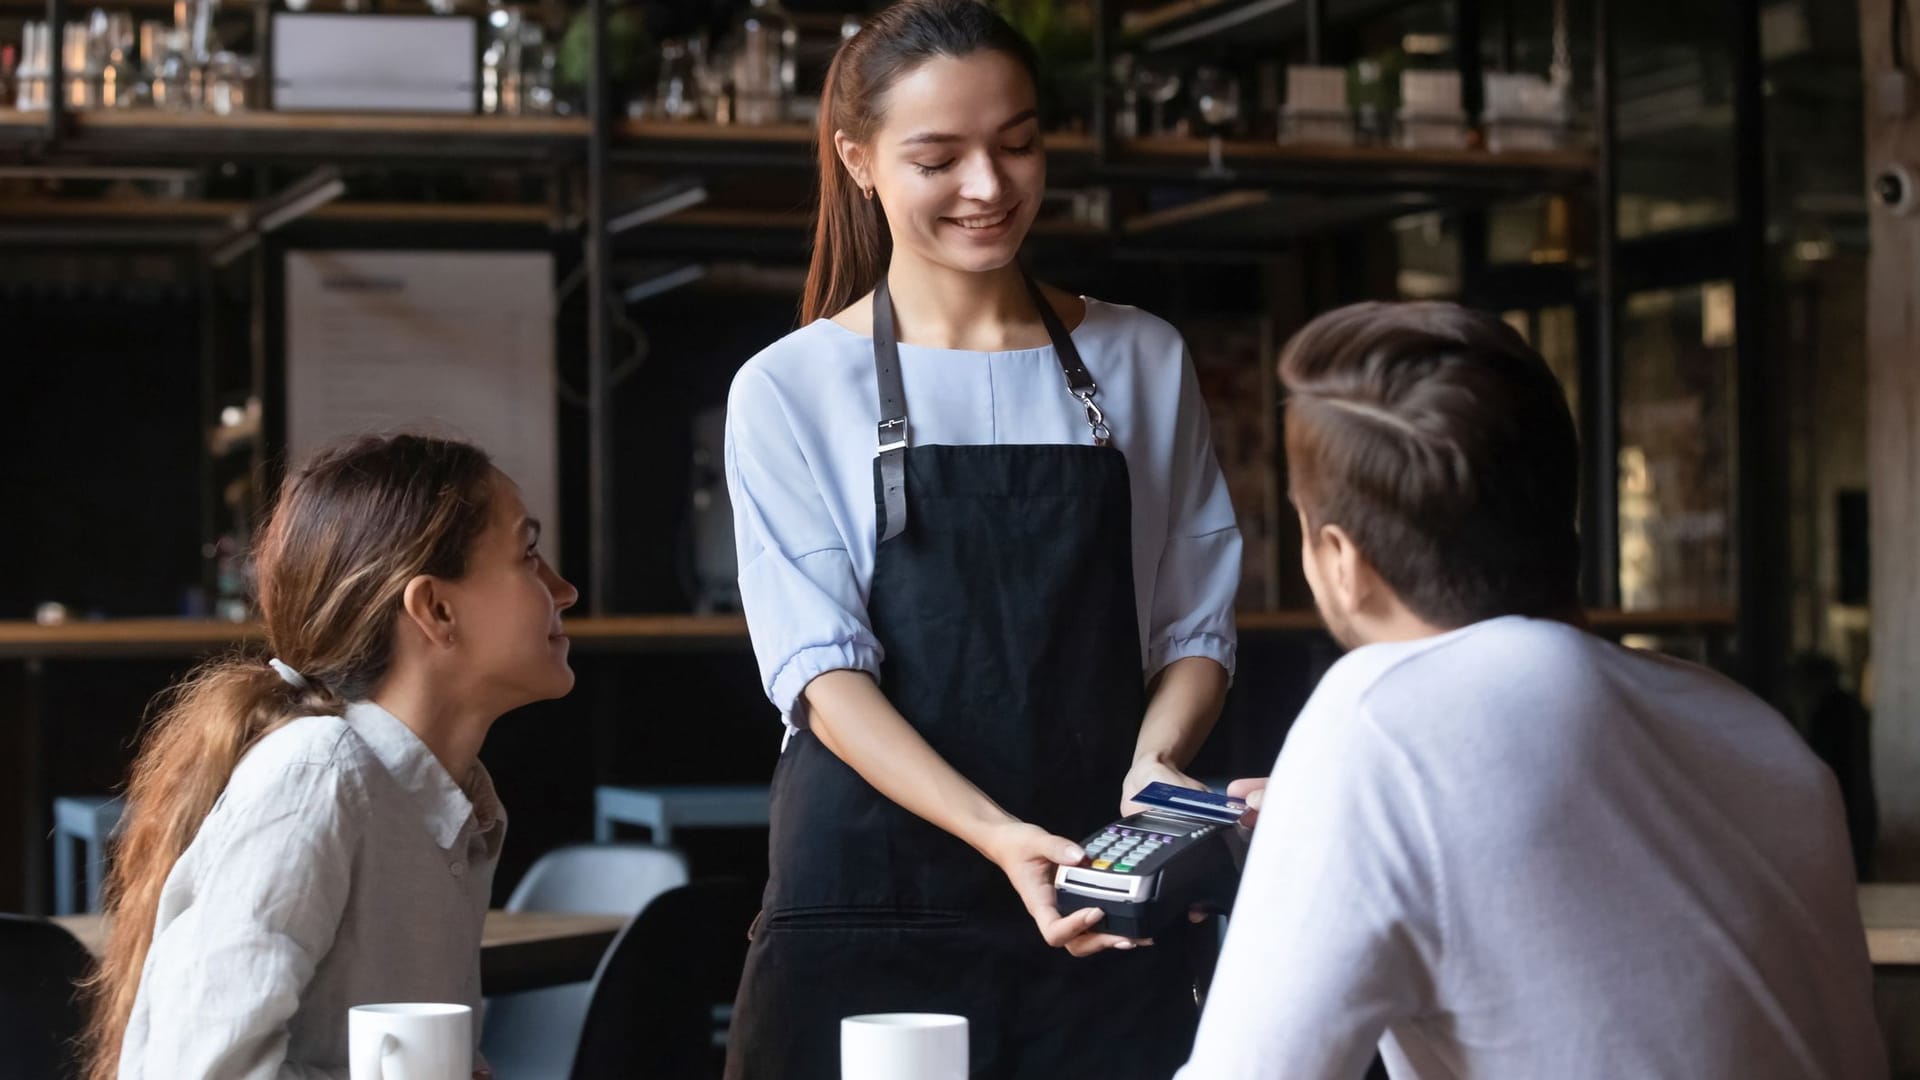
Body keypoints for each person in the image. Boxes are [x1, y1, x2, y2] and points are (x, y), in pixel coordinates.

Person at [720, 0, 1241, 1074]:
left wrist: (1158, 766)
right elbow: (821, 675)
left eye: (1017, 145)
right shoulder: (789, 388)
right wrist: (996, 835)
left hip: (1094, 900)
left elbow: (1195, 621)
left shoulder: (1143, 359)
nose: (990, 188)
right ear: (859, 161)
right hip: (872, 901)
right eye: (938, 157)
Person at [1178, 302, 1886, 1079]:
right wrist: (1332, 824)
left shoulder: (1375, 719)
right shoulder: (1752, 727)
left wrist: (1344, 801)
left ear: (1342, 560)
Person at [83, 434, 579, 1080]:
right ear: (436, 609)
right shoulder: (318, 777)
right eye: (528, 555)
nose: (563, 590)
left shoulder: (447, 803)